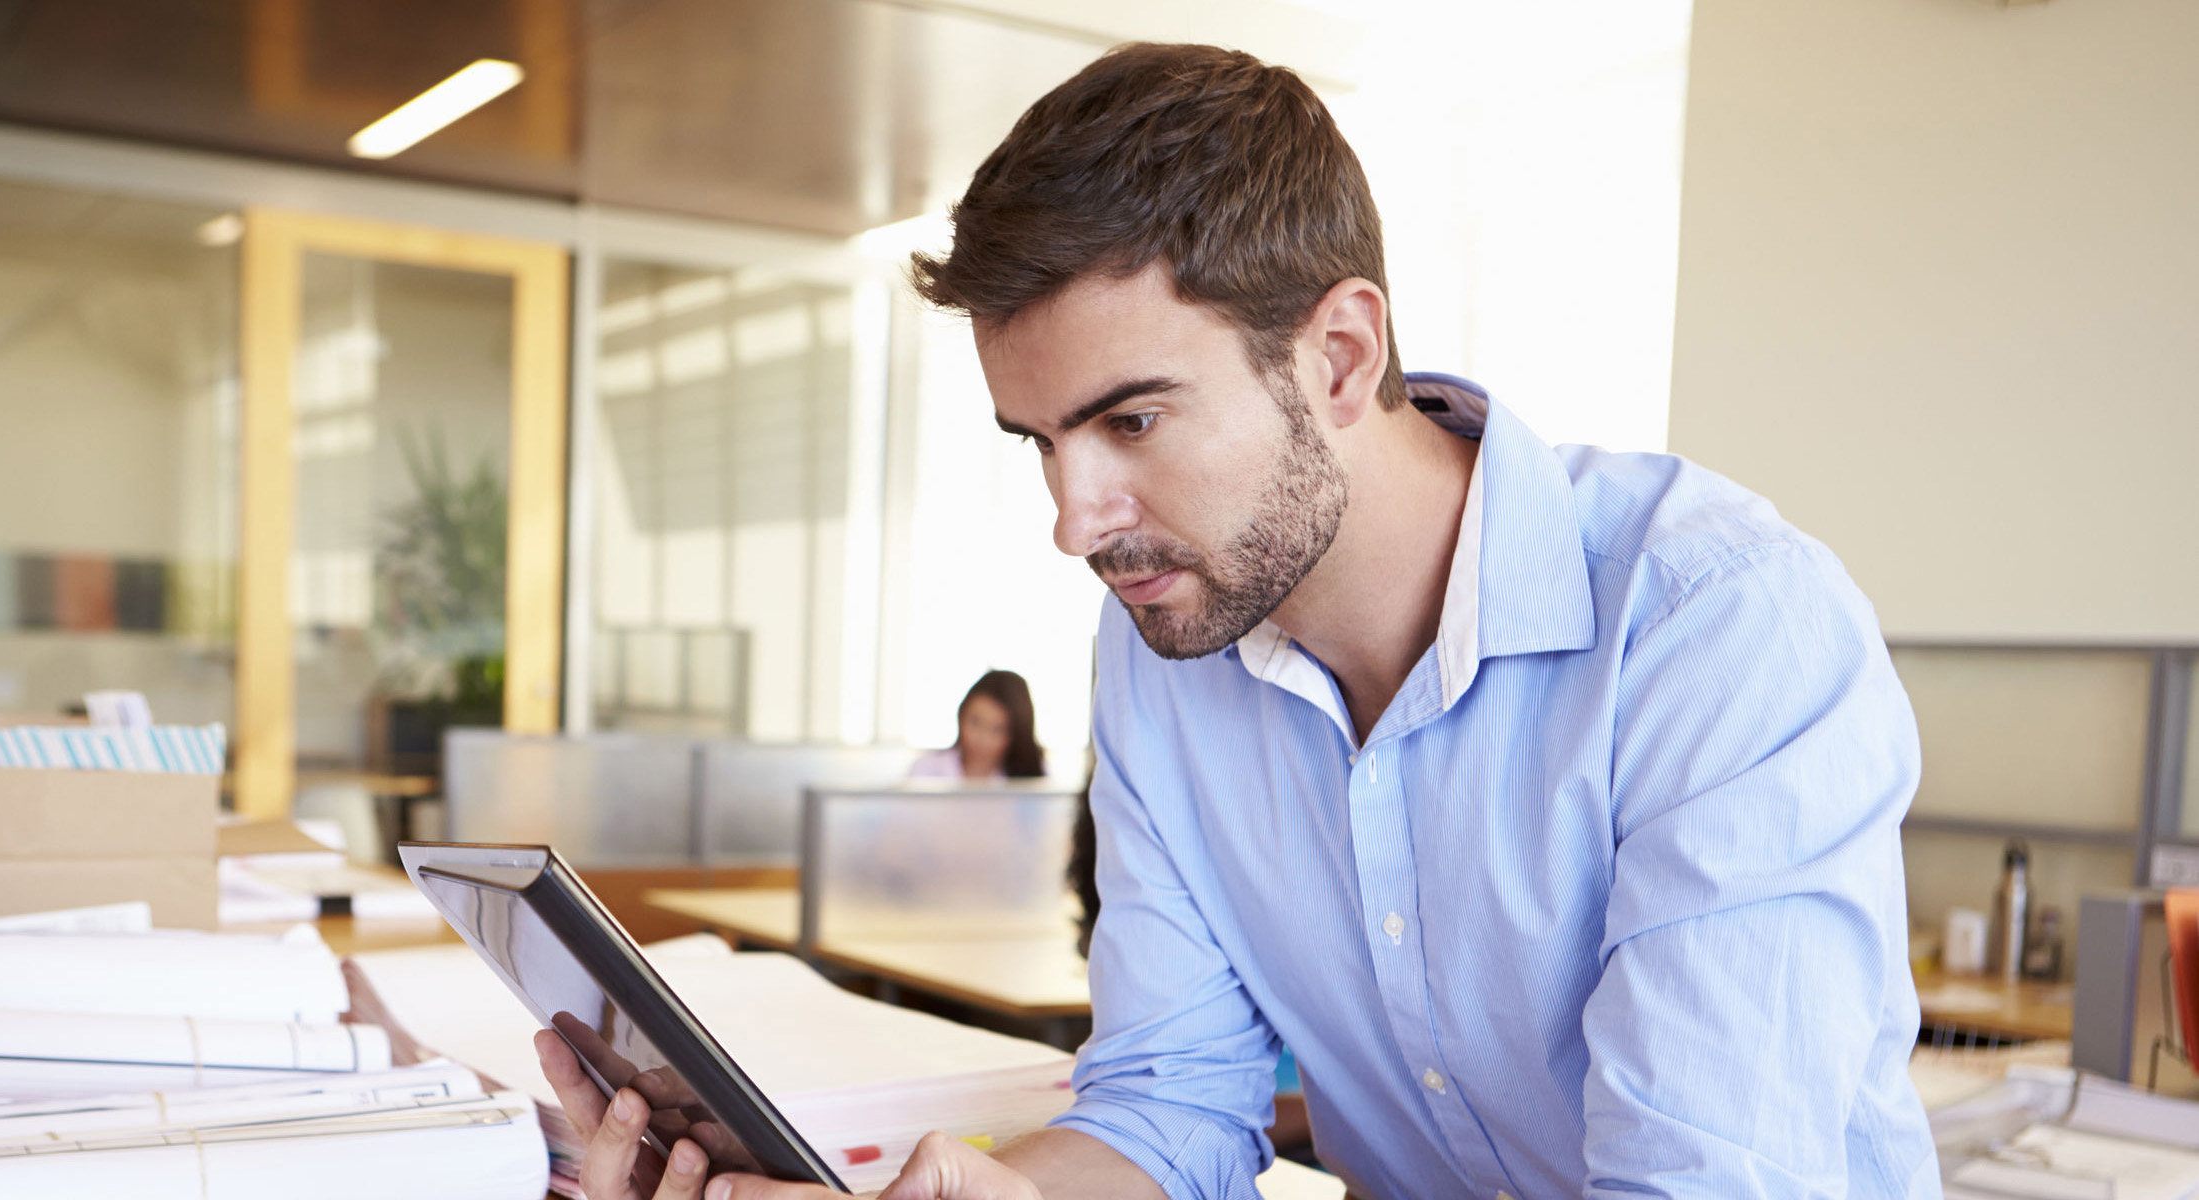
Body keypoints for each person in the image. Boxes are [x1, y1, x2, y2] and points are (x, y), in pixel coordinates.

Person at [545, 41, 1937, 1200]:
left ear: (1338, 355)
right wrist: (997, 1195)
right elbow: (1168, 1107)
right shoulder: (1170, 646)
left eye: (1131, 420)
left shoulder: (1717, 629)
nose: (1075, 520)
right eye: (1039, 442)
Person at [908, 670, 1048, 782]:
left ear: (1015, 735)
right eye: (975, 722)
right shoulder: (924, 771)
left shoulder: (1035, 781)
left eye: (997, 729)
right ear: (961, 715)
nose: (982, 739)